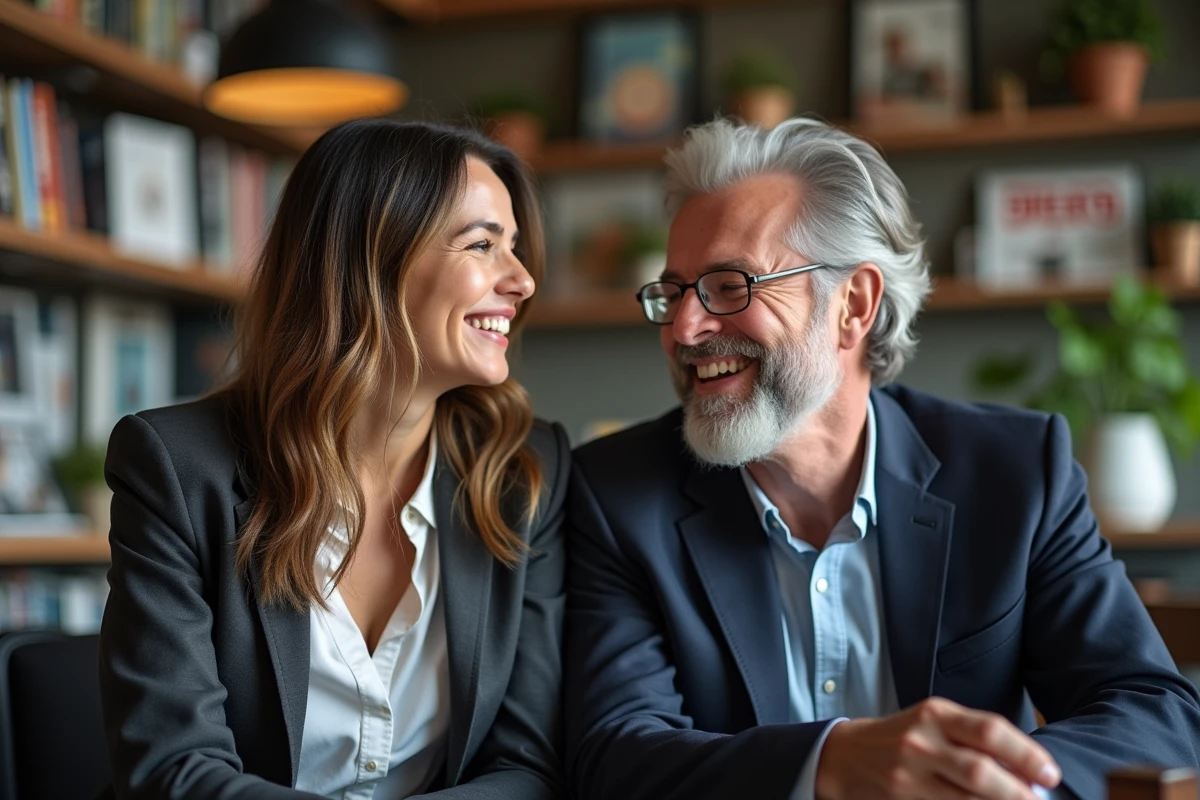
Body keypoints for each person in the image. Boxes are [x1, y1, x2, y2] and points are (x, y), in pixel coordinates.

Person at [563, 117, 1200, 800]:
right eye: (674, 292)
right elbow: (614, 755)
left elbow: (1154, 714)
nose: (685, 328)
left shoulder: (1014, 472)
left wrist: (984, 783)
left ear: (853, 305)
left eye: (729, 285)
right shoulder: (617, 496)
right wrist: (827, 763)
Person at [99, 120, 569, 800]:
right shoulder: (177, 467)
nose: (522, 281)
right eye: (483, 244)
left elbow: (526, 766)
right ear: (370, 260)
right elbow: (174, 773)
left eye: (516, 249)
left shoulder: (524, 474)